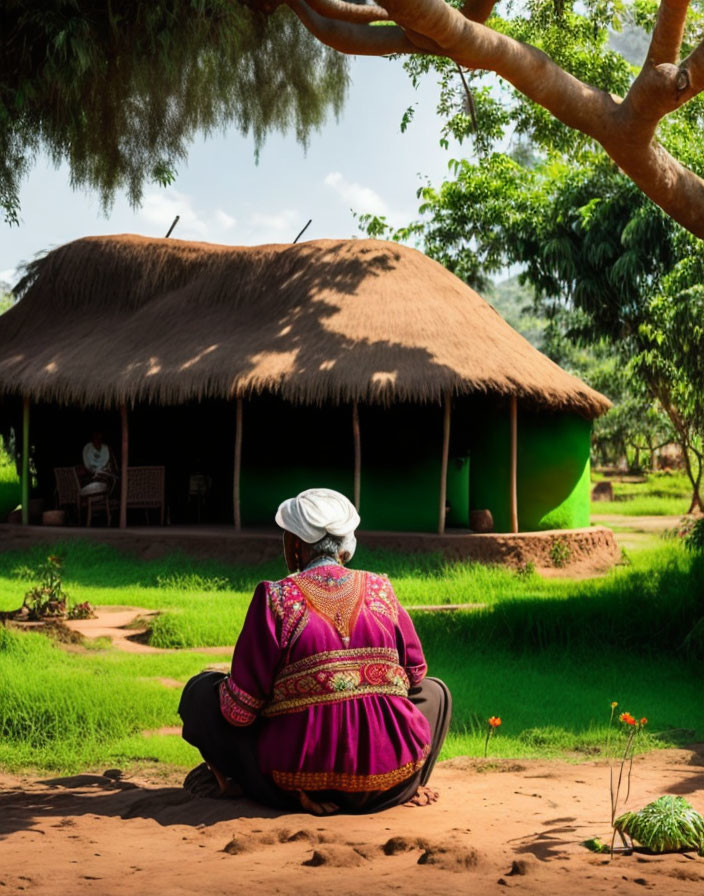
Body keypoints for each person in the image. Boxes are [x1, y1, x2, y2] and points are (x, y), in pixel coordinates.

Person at [179, 487, 452, 815]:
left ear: (295, 544)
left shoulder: (275, 598)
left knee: (200, 692)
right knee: (437, 693)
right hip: (385, 784)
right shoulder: (381, 588)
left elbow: (239, 712)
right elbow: (416, 676)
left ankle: (245, 783)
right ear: (346, 545)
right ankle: (410, 784)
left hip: (297, 784)